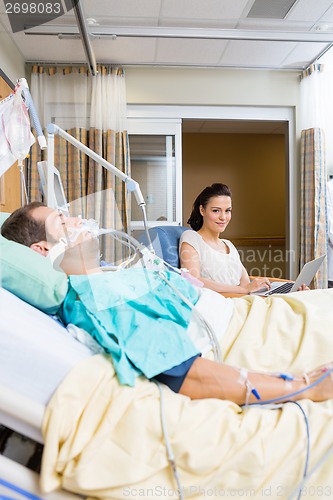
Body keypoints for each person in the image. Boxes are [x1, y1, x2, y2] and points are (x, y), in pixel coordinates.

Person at [2, 201, 333, 407]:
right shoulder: (94, 298)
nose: (77, 220)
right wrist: (304, 387)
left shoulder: (107, 278)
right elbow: (190, 376)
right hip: (245, 337)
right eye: (63, 221)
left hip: (253, 316)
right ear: (43, 251)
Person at [180, 183, 309, 294]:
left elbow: (247, 285)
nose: (223, 217)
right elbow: (193, 280)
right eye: (216, 211)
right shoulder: (191, 238)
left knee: (304, 300)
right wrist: (243, 290)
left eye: (228, 210)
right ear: (202, 210)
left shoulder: (228, 245)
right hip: (223, 305)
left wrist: (291, 289)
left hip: (244, 300)